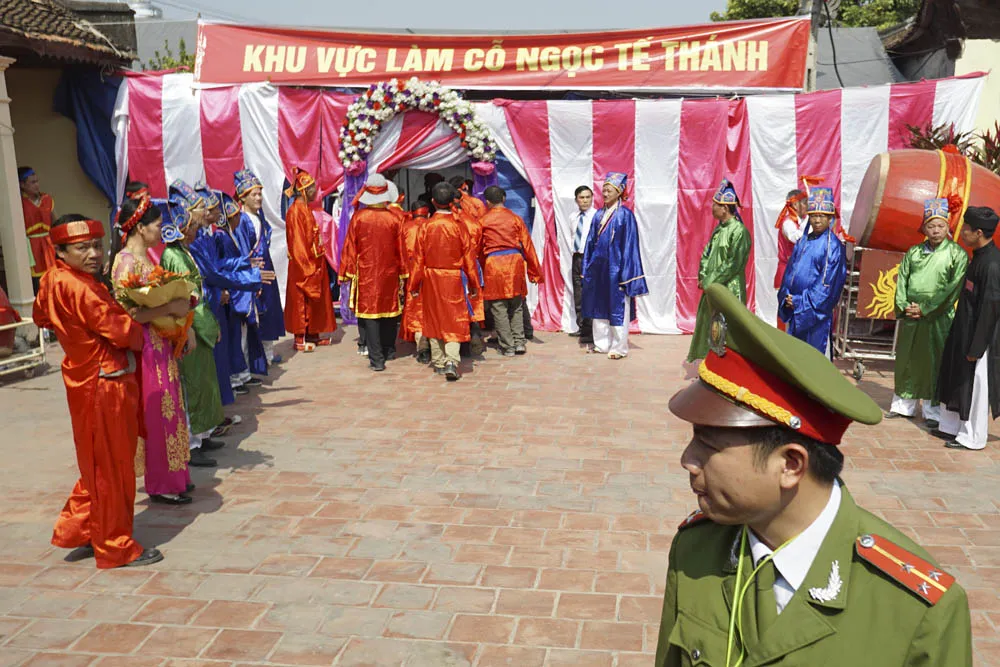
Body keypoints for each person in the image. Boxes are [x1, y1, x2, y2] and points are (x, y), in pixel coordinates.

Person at [656, 283, 972, 667]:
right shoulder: (695, 552)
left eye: (708, 444)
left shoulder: (916, 611)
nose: (688, 460)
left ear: (791, 465)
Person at [34, 214, 174, 568]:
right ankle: (114, 544)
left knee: (95, 463)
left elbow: (41, 317)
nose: (94, 254)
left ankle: (85, 530)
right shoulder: (82, 287)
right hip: (106, 383)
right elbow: (122, 331)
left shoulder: (52, 279)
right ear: (60, 251)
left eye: (96, 246)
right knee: (112, 467)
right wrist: (145, 320)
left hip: (82, 378)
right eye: (82, 248)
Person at [110, 195, 196, 502]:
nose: (162, 230)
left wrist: (181, 319)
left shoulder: (147, 257)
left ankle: (176, 475)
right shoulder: (125, 263)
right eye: (158, 225)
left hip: (161, 344)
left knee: (171, 411)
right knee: (158, 415)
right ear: (140, 227)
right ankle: (162, 484)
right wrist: (169, 307)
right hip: (145, 348)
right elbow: (129, 315)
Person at [159, 195, 230, 467]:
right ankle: (192, 442)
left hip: (197, 324)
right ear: (181, 228)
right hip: (189, 327)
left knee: (205, 383)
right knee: (192, 387)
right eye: (193, 226)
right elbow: (187, 299)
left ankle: (204, 433)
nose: (196, 231)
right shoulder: (174, 256)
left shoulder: (183, 252)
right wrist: (202, 326)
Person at [887, 199, 968, 428]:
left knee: (936, 363)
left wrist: (925, 308)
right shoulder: (913, 252)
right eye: (931, 226)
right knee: (907, 360)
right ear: (923, 228)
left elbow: (952, 288)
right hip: (911, 316)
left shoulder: (957, 254)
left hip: (938, 318)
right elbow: (902, 281)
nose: (935, 230)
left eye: (940, 226)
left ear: (948, 227)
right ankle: (903, 405)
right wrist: (905, 306)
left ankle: (933, 411)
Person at [935, 206, 1000, 451]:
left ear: (979, 233)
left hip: (981, 338)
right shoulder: (979, 256)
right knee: (956, 378)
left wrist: (977, 347)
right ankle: (951, 427)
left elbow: (990, 309)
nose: (961, 233)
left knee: (976, 386)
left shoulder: (992, 265)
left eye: (966, 229)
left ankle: (973, 436)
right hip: (964, 330)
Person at [409, 182, 478, 381]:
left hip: (431, 277)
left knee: (433, 316)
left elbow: (418, 259)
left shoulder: (425, 227)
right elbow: (469, 259)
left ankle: (438, 361)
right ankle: (451, 360)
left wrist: (414, 284)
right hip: (453, 277)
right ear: (451, 202)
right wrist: (473, 283)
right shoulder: (459, 226)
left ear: (433, 201)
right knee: (454, 317)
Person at [339, 173, 406, 372]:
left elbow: (350, 247)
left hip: (366, 272)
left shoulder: (359, 218)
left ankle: (377, 359)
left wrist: (346, 272)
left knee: (370, 314)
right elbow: (401, 250)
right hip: (389, 272)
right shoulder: (394, 219)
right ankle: (389, 350)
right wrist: (404, 272)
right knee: (389, 310)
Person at [777, 187, 848, 356]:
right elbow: (790, 273)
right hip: (795, 310)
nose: (817, 220)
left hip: (815, 317)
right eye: (814, 215)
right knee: (794, 357)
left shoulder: (833, 247)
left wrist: (800, 301)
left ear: (830, 218)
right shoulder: (803, 241)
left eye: (822, 216)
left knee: (813, 360)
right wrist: (787, 296)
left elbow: (827, 287)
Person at [687, 178, 751, 363]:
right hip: (713, 288)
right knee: (711, 326)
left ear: (725, 208)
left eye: (715, 205)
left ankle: (728, 368)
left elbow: (734, 263)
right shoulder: (719, 229)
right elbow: (706, 254)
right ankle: (710, 364)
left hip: (729, 289)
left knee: (727, 329)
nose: (712, 208)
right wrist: (703, 275)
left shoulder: (739, 231)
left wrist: (710, 280)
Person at [214, 192, 268, 396]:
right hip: (234, 292)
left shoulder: (232, 234)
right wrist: (246, 264)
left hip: (240, 289)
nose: (239, 219)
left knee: (243, 334)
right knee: (235, 337)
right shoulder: (221, 236)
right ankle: (235, 377)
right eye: (236, 215)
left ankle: (243, 373)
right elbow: (220, 265)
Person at [480, 186, 543, 356]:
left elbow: (477, 249)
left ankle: (507, 346)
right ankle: (519, 342)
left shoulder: (483, 221)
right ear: (504, 198)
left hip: (494, 264)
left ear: (487, 202)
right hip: (515, 262)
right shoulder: (515, 219)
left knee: (498, 307)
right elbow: (528, 246)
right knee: (516, 305)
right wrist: (534, 272)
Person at [233, 169, 284, 365]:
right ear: (242, 198)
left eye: (260, 194)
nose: (259, 198)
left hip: (266, 269)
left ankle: (268, 353)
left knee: (269, 311)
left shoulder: (259, 216)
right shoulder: (242, 220)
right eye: (254, 194)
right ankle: (255, 358)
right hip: (254, 272)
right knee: (256, 313)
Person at [284, 167, 336, 352]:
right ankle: (300, 338)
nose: (316, 191)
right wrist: (307, 268)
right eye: (312, 188)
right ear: (304, 190)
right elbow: (298, 243)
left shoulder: (305, 208)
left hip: (314, 262)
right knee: (301, 301)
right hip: (303, 265)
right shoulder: (295, 211)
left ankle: (313, 334)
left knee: (314, 302)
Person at [773, 189, 808, 331]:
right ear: (795, 205)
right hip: (787, 271)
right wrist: (808, 222)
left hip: (797, 271)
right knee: (786, 307)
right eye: (804, 203)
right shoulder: (788, 223)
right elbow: (796, 238)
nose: (807, 206)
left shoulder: (799, 222)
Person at [401, 200, 431, 363]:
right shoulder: (432, 226)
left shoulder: (406, 227)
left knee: (416, 308)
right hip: (433, 271)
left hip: (412, 272)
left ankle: (422, 347)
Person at [19, 166, 57, 291]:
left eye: (37, 181)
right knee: (36, 282)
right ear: (22, 185)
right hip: (31, 246)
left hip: (48, 244)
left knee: (52, 277)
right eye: (32, 182)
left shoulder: (46, 199)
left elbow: (55, 222)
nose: (37, 185)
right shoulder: (20, 202)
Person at [570, 185, 597, 343]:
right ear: (576, 200)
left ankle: (591, 330)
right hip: (576, 258)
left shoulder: (597, 216)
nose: (585, 200)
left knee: (590, 294)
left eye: (588, 197)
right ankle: (582, 327)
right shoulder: (573, 217)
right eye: (582, 197)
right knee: (578, 294)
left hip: (590, 257)